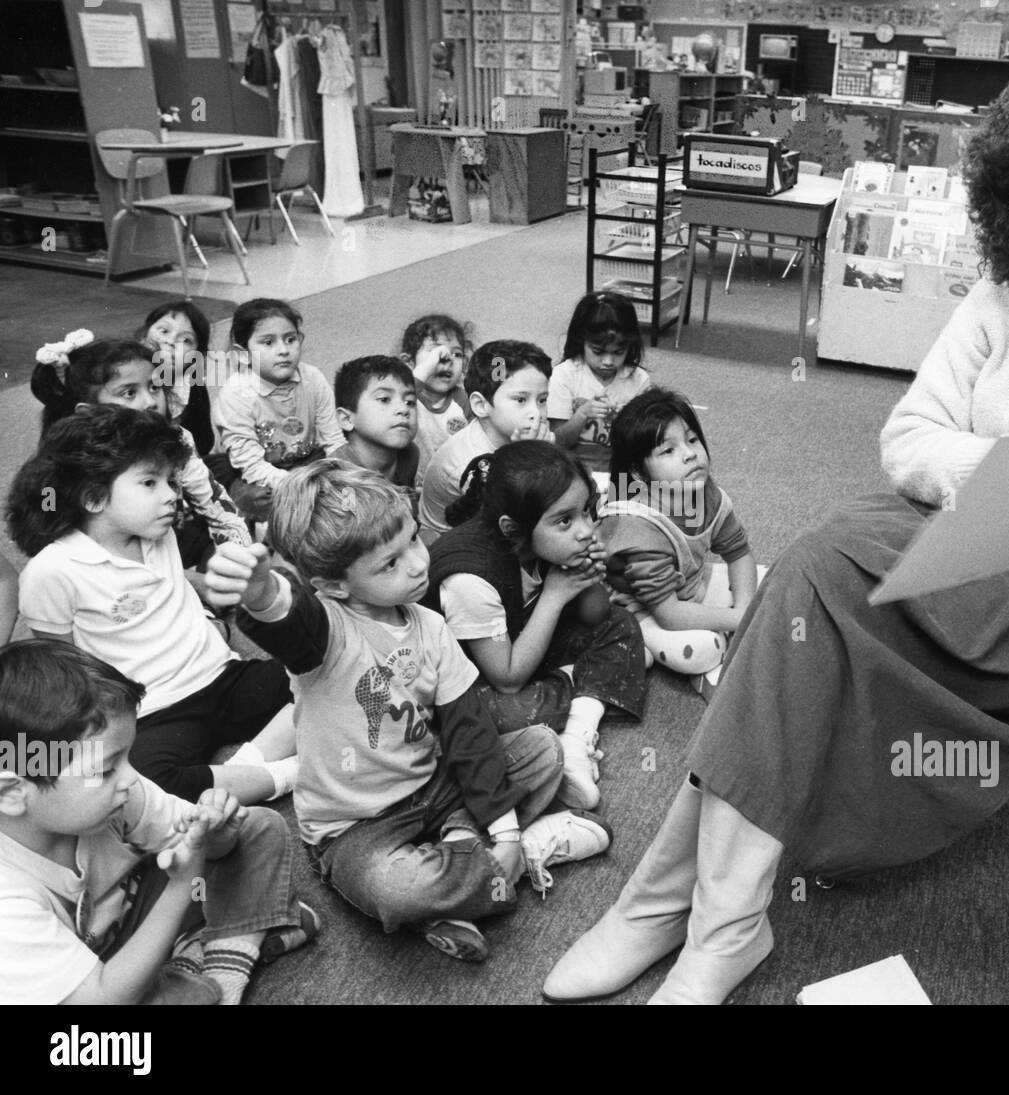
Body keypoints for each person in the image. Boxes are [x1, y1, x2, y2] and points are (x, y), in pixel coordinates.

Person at [543, 55, 1009, 1005]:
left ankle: (676, 908)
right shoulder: (1001, 298)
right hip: (944, 542)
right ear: (1008, 210)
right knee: (801, 591)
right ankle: (705, 919)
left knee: (796, 594)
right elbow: (908, 441)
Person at [203, 461, 613, 961]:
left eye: (413, 541)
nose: (419, 564)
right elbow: (287, 619)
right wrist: (261, 591)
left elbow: (470, 733)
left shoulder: (431, 626)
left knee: (542, 749)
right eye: (390, 564)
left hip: (433, 786)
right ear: (333, 585)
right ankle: (515, 856)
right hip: (354, 828)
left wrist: (501, 828)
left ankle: (475, 850)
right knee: (397, 889)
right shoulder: (326, 629)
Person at [0, 640, 317, 1005]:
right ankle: (239, 935)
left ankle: (215, 971)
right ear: (13, 792)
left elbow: (193, 850)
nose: (131, 779)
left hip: (140, 918)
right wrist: (182, 888)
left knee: (257, 829)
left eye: (127, 758)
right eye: (105, 769)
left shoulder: (118, 794)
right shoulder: (9, 898)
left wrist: (214, 839)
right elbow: (101, 999)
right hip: (94, 983)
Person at [8, 406, 297, 805]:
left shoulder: (159, 533)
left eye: (171, 481)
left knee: (322, 676)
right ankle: (287, 774)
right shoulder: (50, 572)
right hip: (154, 711)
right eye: (149, 482)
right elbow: (66, 671)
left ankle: (243, 770)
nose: (171, 496)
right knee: (146, 786)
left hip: (224, 674)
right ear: (93, 498)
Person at [426, 442, 647, 812]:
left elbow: (595, 613)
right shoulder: (469, 579)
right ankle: (584, 684)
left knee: (620, 624)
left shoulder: (551, 544)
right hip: (471, 682)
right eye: (565, 520)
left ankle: (575, 740)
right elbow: (507, 678)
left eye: (586, 512)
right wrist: (556, 595)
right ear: (513, 529)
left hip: (523, 638)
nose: (584, 530)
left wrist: (585, 573)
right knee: (515, 713)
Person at [29, 336, 250, 572]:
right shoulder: (62, 460)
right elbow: (44, 517)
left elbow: (213, 502)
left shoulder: (177, 439)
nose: (150, 402)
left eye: (154, 387)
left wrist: (240, 551)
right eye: (129, 393)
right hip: (101, 566)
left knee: (224, 544)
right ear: (89, 412)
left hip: (167, 540)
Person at [603, 387, 761, 698]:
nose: (690, 453)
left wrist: (745, 610)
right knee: (702, 649)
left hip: (691, 585)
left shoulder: (702, 490)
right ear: (638, 472)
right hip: (643, 611)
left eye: (691, 440)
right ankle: (699, 666)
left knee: (779, 580)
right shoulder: (638, 528)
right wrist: (742, 619)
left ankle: (730, 631)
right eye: (668, 450)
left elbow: (738, 552)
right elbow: (670, 614)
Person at [210, 298, 346, 525]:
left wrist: (346, 474)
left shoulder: (312, 377)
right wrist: (303, 485)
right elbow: (251, 466)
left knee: (350, 468)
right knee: (258, 497)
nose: (284, 350)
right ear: (243, 354)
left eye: (290, 339)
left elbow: (333, 440)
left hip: (307, 460)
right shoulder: (235, 394)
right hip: (255, 475)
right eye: (268, 342)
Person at [418, 340, 553, 544]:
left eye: (542, 400)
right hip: (455, 545)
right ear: (481, 406)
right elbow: (512, 525)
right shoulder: (468, 465)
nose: (536, 413)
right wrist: (535, 461)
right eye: (520, 400)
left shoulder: (524, 435)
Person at [548, 291, 651, 477]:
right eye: (598, 352)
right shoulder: (564, 376)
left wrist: (626, 420)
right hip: (573, 474)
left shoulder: (638, 379)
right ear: (581, 342)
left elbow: (644, 443)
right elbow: (556, 443)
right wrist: (583, 414)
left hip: (621, 473)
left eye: (619, 352)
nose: (608, 362)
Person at [399, 313, 473, 486]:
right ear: (409, 363)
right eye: (436, 352)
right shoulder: (409, 396)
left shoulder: (463, 400)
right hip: (407, 483)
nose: (447, 359)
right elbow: (403, 396)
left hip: (450, 483)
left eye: (457, 354)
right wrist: (427, 368)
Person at [137, 300, 217, 456]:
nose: (171, 341)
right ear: (143, 335)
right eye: (164, 331)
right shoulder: (121, 369)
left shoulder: (189, 386)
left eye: (186, 340)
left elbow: (203, 441)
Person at [333, 354, 421, 488]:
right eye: (384, 399)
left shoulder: (410, 455)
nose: (403, 409)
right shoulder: (335, 478)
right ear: (346, 419)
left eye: (410, 402)